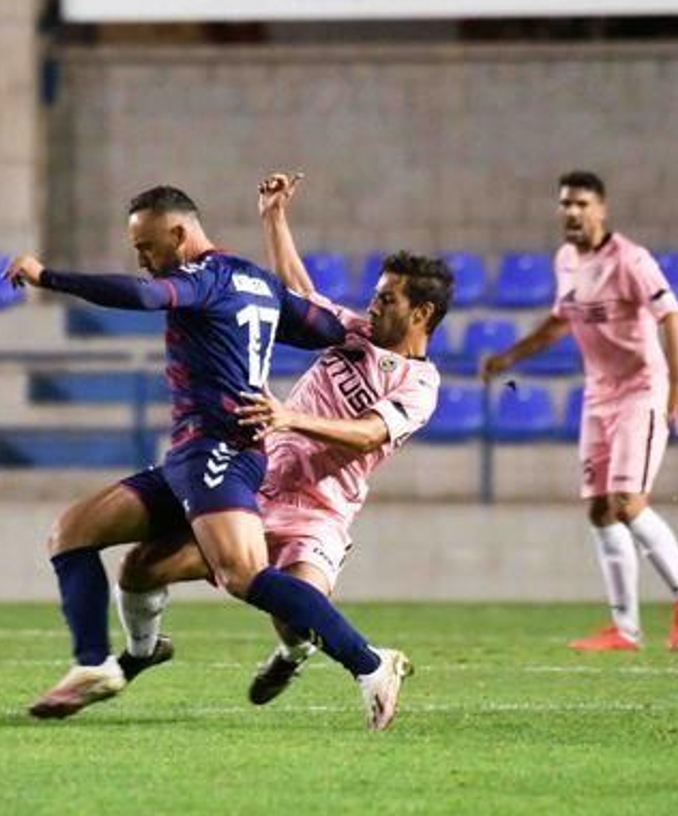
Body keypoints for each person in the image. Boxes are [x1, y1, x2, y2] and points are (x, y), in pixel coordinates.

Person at [4, 184, 413, 731]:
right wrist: (360, 335)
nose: (144, 262)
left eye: (147, 248)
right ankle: (100, 663)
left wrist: (47, 276)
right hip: (188, 455)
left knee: (244, 574)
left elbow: (146, 298)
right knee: (73, 532)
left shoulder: (204, 279)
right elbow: (324, 329)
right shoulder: (257, 283)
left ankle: (370, 663)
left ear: (179, 234)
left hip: (223, 449)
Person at [113, 172, 449, 705]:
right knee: (147, 565)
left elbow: (366, 435)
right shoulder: (356, 332)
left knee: (297, 614)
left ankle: (293, 654)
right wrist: (274, 216)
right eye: (377, 294)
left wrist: (290, 418)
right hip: (260, 486)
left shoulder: (421, 384)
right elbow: (301, 295)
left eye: (387, 299)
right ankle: (137, 653)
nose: (374, 304)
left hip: (323, 510)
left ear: (422, 313)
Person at [480, 170, 678, 652]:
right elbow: (559, 322)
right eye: (565, 204)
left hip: (641, 390)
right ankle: (625, 628)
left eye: (581, 204)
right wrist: (509, 358)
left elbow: (672, 314)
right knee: (600, 510)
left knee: (627, 501)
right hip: (598, 395)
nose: (572, 212)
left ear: (602, 209)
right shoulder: (565, 260)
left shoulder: (631, 260)